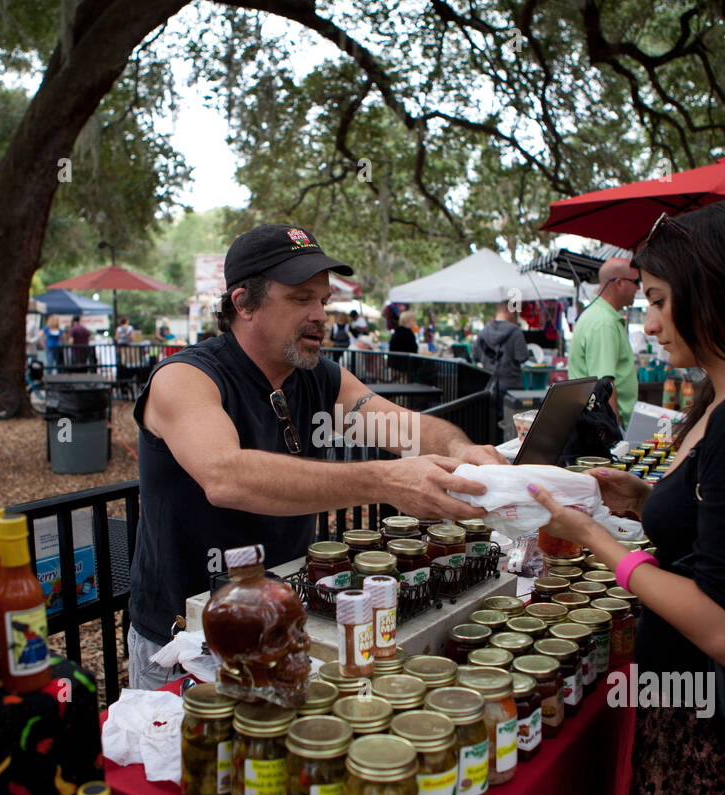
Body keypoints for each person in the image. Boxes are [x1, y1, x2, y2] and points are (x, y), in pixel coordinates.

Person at [526, 200, 725, 795]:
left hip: (718, 745)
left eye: (658, 300)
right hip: (691, 725)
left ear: (713, 295)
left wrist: (596, 539)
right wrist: (643, 500)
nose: (649, 322)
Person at [128, 224, 500, 688]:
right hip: (189, 638)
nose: (321, 315)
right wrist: (385, 481)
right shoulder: (186, 376)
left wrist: (459, 448)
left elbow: (403, 427)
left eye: (323, 300)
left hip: (283, 622)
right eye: (302, 299)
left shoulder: (318, 376)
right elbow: (226, 477)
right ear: (243, 303)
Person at [568, 258, 641, 428]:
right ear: (619, 283)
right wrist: (612, 431)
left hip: (592, 422)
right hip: (602, 425)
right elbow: (605, 385)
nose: (638, 288)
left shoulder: (597, 315)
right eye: (636, 282)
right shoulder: (604, 322)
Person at [473, 300, 530, 406]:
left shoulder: (483, 332)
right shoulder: (515, 332)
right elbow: (522, 357)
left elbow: (475, 357)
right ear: (511, 312)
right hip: (512, 388)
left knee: (490, 421)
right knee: (510, 421)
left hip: (488, 387)